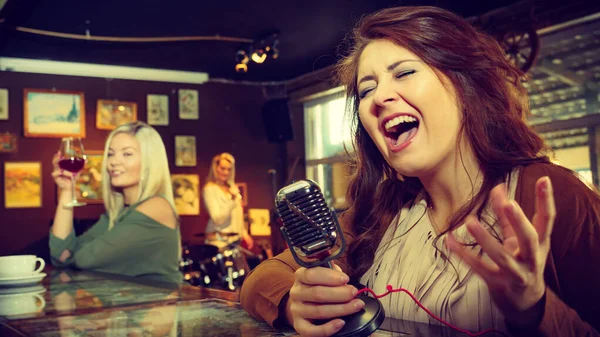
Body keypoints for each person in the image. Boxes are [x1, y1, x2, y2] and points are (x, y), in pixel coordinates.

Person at [240, 6, 600, 337]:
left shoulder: (550, 195)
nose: (379, 98)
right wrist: (293, 302)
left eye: (406, 72)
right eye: (366, 90)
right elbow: (259, 281)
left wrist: (537, 309)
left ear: (465, 85)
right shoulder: (380, 213)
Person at [49, 121, 182, 285]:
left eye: (127, 154)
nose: (113, 162)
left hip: (162, 307)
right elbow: (61, 255)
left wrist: (72, 258)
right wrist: (67, 191)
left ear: (150, 163)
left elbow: (83, 260)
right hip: (133, 307)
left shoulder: (156, 207)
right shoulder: (119, 213)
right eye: (111, 154)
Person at [202, 153, 253, 250]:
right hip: (218, 242)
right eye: (222, 168)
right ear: (215, 168)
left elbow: (237, 214)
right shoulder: (210, 189)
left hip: (234, 241)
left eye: (229, 169)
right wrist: (232, 199)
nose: (226, 172)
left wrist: (244, 233)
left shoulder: (231, 187)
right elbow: (217, 218)